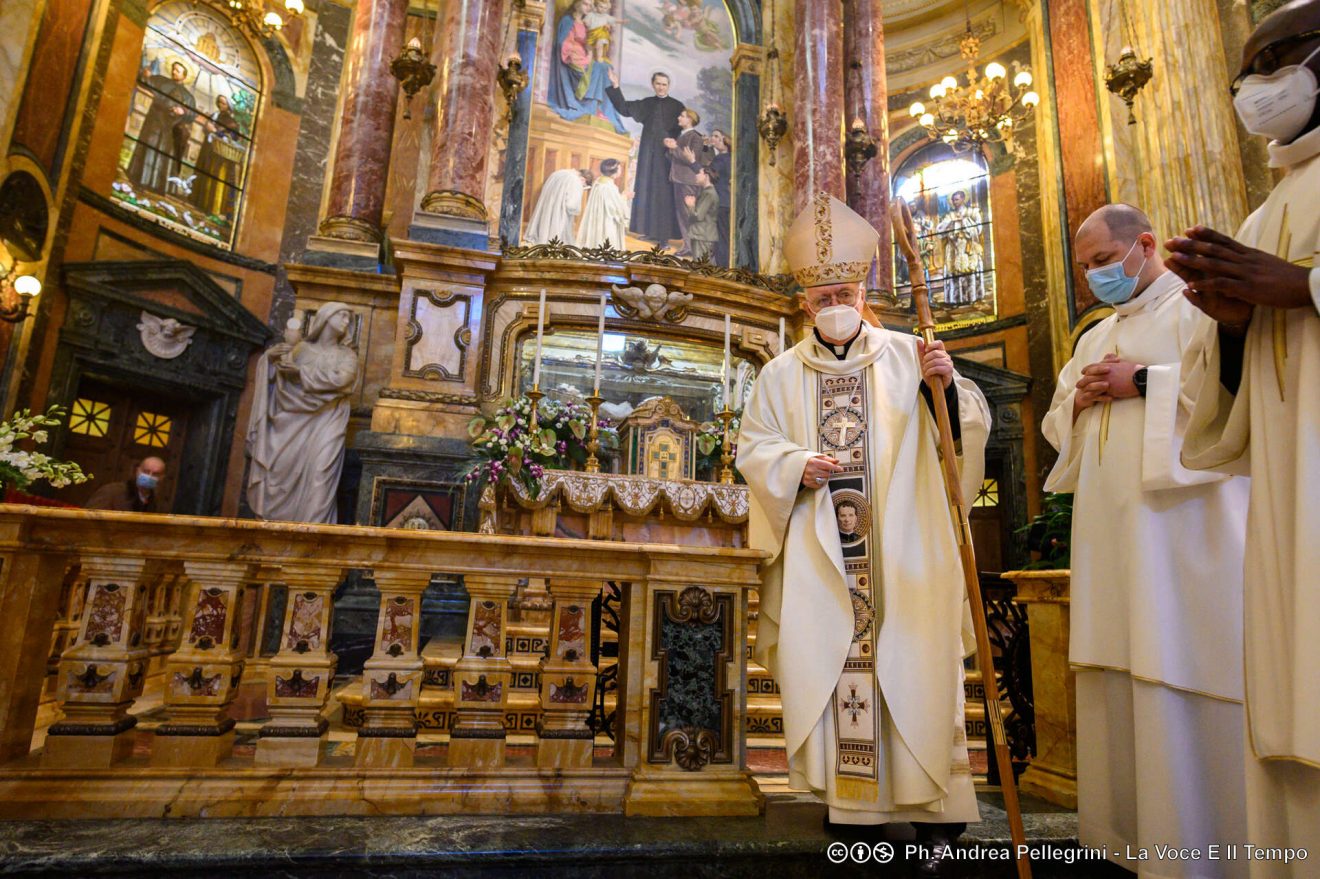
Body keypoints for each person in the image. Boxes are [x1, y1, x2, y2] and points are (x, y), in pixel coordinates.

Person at [737, 192, 991, 878]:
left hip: (906, 554)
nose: (834, 303)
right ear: (804, 303)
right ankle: (853, 813)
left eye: (845, 291)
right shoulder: (779, 374)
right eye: (822, 295)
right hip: (827, 560)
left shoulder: (912, 353)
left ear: (864, 291)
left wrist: (951, 389)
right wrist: (795, 464)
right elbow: (753, 448)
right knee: (838, 671)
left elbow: (963, 434)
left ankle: (941, 816)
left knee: (918, 667)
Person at [1043, 204, 1250, 878]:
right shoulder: (1092, 335)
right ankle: (1127, 847)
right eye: (1086, 267)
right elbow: (1054, 425)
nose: (1094, 276)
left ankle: (1205, 851)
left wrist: (1142, 383)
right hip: (1110, 544)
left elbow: (1233, 400)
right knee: (1117, 677)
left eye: (1103, 260)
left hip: (1183, 546)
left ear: (1146, 245)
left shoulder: (1198, 309)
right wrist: (1075, 405)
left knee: (1180, 671)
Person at [1165, 1, 1320, 868]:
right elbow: (1221, 421)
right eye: (1246, 73)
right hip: (1293, 503)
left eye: (1279, 58)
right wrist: (1229, 326)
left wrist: (1304, 290)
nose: (1257, 86)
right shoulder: (1262, 219)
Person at [246, 302, 361, 524]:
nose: (347, 322)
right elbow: (279, 377)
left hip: (328, 419)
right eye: (342, 316)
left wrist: (301, 372)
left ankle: (313, 537)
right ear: (326, 318)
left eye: (349, 318)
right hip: (292, 420)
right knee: (280, 472)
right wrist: (270, 360)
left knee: (321, 474)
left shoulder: (347, 355)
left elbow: (344, 380)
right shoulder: (300, 350)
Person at [606, 70, 684, 244]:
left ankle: (663, 238)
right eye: (658, 84)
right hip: (648, 151)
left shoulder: (677, 106)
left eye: (664, 84)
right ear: (653, 84)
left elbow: (683, 129)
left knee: (663, 194)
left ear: (668, 86)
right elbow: (625, 109)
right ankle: (650, 231)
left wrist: (674, 144)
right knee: (647, 188)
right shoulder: (647, 103)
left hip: (666, 155)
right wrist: (616, 86)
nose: (661, 87)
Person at [546, 0, 626, 133]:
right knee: (599, 68)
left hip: (586, 56)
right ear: (577, 3)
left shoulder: (586, 22)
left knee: (605, 67)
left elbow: (593, 38)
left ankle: (597, 108)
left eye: (590, 5)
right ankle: (590, 107)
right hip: (573, 58)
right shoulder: (568, 20)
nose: (588, 7)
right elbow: (563, 43)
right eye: (585, 4)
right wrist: (575, 54)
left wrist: (603, 30)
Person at [126, 59, 197, 194]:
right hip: (155, 121)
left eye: (178, 70)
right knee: (148, 148)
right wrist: (145, 75)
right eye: (173, 68)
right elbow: (145, 82)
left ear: (184, 75)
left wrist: (183, 111)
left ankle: (159, 187)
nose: (174, 71)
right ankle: (141, 180)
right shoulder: (160, 80)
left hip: (170, 129)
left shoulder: (189, 97)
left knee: (164, 156)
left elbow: (191, 115)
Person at [190, 94, 243, 218]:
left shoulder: (232, 122)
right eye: (219, 102)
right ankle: (196, 200)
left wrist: (216, 132)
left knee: (212, 176)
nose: (220, 105)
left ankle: (208, 206)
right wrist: (207, 128)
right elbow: (206, 128)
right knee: (202, 171)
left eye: (223, 103)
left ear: (229, 106)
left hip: (219, 153)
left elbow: (233, 137)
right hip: (207, 148)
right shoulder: (214, 115)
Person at [664, 108, 705, 251]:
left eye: (682, 116)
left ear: (690, 120)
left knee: (688, 214)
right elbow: (675, 158)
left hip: (688, 180)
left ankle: (692, 247)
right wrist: (671, 148)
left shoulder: (695, 137)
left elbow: (692, 160)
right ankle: (688, 245)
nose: (679, 118)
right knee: (682, 214)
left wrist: (675, 148)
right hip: (679, 179)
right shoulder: (682, 135)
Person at [936, 190, 985, 305]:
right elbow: (939, 230)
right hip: (954, 248)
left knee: (970, 270)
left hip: (969, 247)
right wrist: (951, 223)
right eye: (953, 200)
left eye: (957, 199)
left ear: (963, 199)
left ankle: (972, 297)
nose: (954, 202)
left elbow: (978, 229)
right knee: (954, 272)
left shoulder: (972, 212)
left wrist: (965, 222)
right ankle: (956, 299)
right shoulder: (949, 215)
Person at [525, 167, 593, 245]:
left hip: (547, 209)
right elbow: (572, 206)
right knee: (557, 240)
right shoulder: (575, 180)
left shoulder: (558, 173)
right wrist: (578, 210)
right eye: (583, 186)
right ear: (583, 180)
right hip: (559, 213)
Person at [577, 158, 629, 249]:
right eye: (620, 168)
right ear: (614, 171)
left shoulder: (598, 182)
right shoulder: (609, 187)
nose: (621, 170)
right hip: (607, 222)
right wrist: (625, 197)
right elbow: (615, 209)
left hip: (597, 218)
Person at [86, 457, 166, 513]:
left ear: (162, 478)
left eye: (155, 474)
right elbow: (88, 518)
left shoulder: (155, 501)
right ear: (138, 471)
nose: (149, 476)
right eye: (146, 471)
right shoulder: (112, 492)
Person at [703, 129, 732, 266]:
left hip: (720, 202)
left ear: (724, 140)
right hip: (727, 202)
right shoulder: (730, 157)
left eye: (716, 136)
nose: (712, 138)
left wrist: (693, 161)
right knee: (723, 237)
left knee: (720, 238)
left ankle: (722, 267)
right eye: (712, 135)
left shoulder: (721, 159)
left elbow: (710, 174)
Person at [682, 166, 718, 261]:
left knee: (700, 266)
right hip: (702, 234)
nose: (696, 176)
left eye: (699, 173)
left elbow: (698, 215)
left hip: (703, 236)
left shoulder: (709, 193)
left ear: (706, 176)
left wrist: (690, 205)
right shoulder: (707, 192)